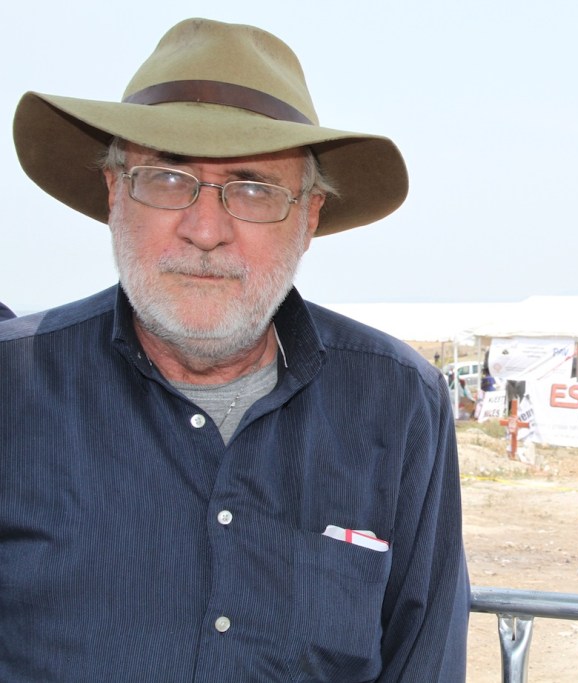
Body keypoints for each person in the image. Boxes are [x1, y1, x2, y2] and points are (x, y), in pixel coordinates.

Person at [0, 18, 469, 682]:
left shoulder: (398, 403)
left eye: (252, 188)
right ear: (114, 193)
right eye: (166, 178)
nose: (205, 229)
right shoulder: (11, 385)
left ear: (308, 217)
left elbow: (423, 662)